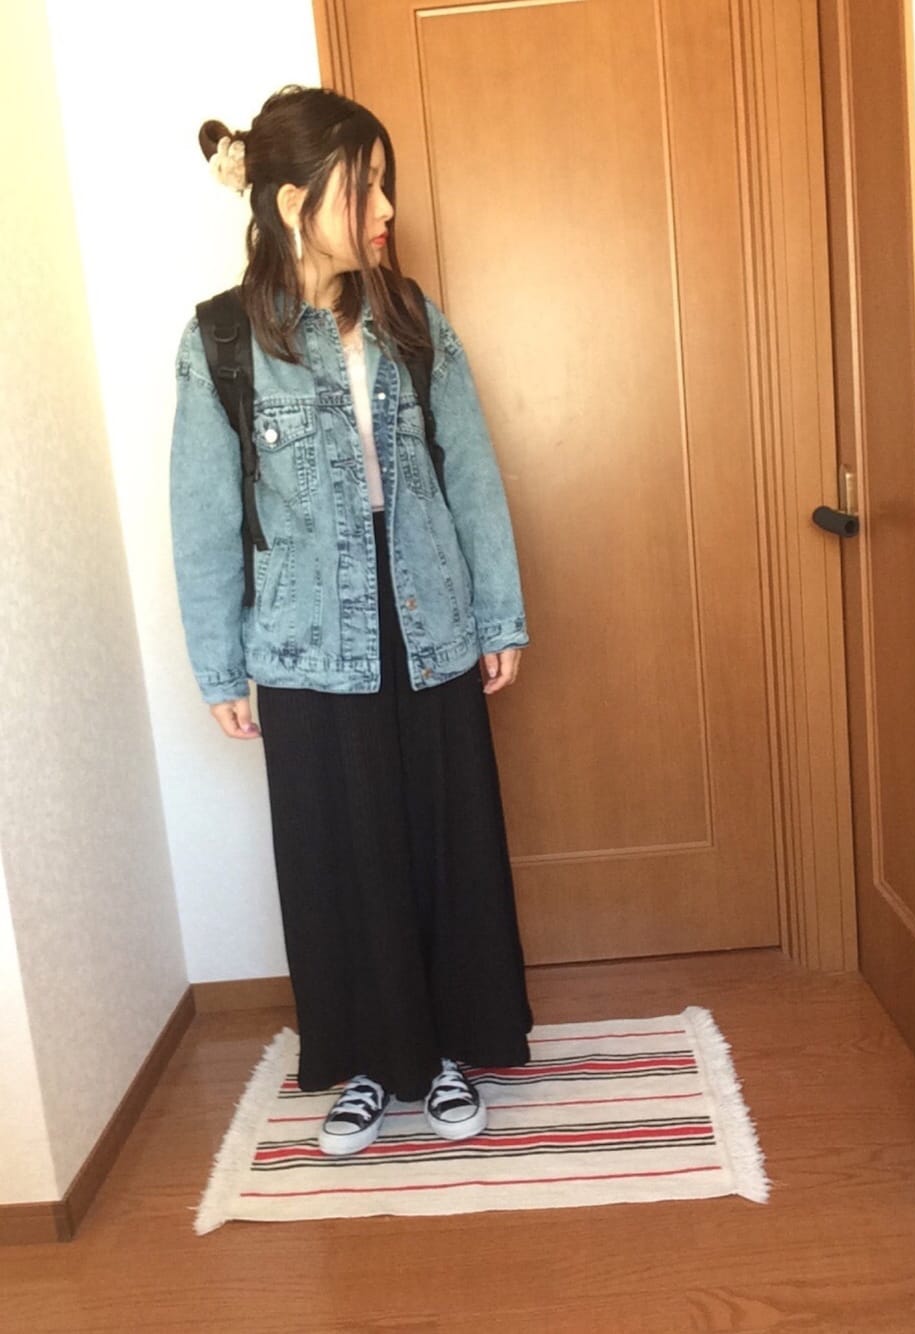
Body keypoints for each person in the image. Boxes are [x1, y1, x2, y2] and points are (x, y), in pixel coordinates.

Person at [170, 85, 533, 1156]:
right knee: (341, 856)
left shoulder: (409, 316)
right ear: (293, 202)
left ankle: (450, 1051)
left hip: (427, 616)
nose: (384, 208)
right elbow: (202, 514)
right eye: (362, 187)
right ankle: (374, 1065)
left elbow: (470, 470)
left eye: (383, 185)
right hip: (303, 641)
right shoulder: (222, 339)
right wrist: (218, 665)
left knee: (440, 841)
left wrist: (499, 612)